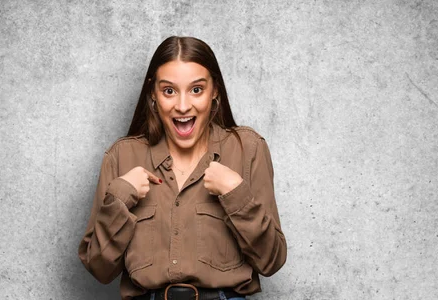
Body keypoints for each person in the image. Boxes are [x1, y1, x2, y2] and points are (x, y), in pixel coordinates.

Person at [78, 36, 287, 300]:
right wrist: (120, 197)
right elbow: (100, 268)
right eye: (169, 91)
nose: (183, 105)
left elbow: (272, 260)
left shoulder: (248, 149)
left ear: (215, 91)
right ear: (153, 94)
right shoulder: (122, 156)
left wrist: (236, 194)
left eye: (196, 90)